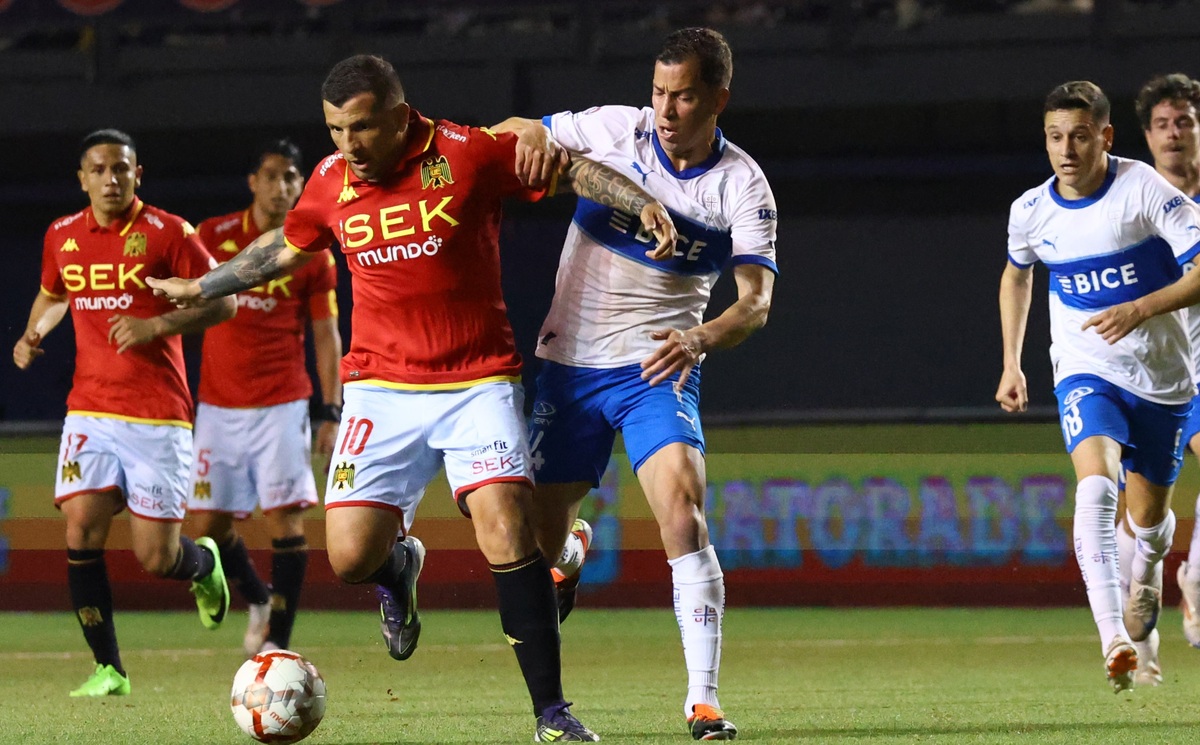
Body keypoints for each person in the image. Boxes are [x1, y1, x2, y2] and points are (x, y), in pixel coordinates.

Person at [146, 54, 677, 742]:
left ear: (400, 117)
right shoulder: (331, 181)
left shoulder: (464, 154)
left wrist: (642, 202)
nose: (347, 145)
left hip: (476, 380)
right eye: (335, 129)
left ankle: (552, 712)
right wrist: (206, 285)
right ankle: (399, 567)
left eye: (361, 127)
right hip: (380, 391)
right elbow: (287, 245)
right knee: (347, 559)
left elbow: (569, 168)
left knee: (508, 532)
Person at [494, 26, 777, 741]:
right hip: (570, 359)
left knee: (682, 509)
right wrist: (518, 138)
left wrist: (701, 337)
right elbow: (519, 133)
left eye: (683, 96)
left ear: (719, 98)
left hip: (659, 365)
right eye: (658, 92)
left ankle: (703, 702)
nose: (666, 109)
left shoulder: (740, 184)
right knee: (536, 540)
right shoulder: (618, 130)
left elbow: (756, 300)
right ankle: (569, 551)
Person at [11, 128, 235, 697]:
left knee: (156, 558)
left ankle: (203, 566)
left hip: (158, 414)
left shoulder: (169, 232)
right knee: (81, 526)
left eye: (122, 168)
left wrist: (158, 323)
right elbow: (56, 293)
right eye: (99, 169)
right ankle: (108, 669)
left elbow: (226, 300)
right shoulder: (61, 235)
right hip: (89, 410)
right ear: (82, 178)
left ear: (139, 174)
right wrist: (33, 331)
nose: (111, 178)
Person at [997, 81, 1200, 693]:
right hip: (1086, 370)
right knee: (1094, 485)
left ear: (1105, 137)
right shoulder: (1031, 210)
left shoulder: (1143, 190)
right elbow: (1017, 277)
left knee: (1149, 520)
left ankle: (1148, 572)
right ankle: (1113, 635)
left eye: (1080, 136)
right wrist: (1011, 360)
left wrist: (1141, 309)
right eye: (1056, 137)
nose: (1066, 149)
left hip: (1164, 380)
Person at [187, 138, 343, 657]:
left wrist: (330, 409)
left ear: (302, 185)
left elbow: (325, 334)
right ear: (253, 181)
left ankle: (278, 640)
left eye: (292, 178)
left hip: (281, 403)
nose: (282, 186)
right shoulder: (216, 234)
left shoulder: (311, 251)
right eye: (272, 176)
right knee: (206, 525)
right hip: (218, 403)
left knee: (285, 521)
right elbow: (190, 302)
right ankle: (256, 598)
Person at [1109, 72, 1200, 687]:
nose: (1175, 133)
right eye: (1163, 124)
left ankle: (1193, 575)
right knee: (1137, 515)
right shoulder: (1133, 203)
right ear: (1146, 135)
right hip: (1150, 368)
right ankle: (1138, 638)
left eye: (1185, 121)